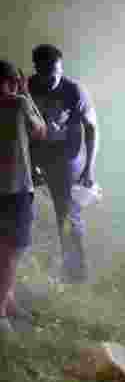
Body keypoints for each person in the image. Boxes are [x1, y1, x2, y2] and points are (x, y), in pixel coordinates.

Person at [28, 44, 98, 284]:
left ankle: (75, 275)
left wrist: (89, 168)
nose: (54, 79)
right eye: (48, 75)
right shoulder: (28, 87)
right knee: (20, 207)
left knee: (67, 214)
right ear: (38, 70)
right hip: (36, 153)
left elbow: (92, 128)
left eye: (58, 73)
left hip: (66, 156)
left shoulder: (74, 91)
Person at [0, 60, 47, 335]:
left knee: (3, 250)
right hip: (16, 190)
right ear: (13, 82)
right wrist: (27, 93)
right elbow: (41, 131)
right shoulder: (18, 103)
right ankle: (0, 311)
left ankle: (8, 301)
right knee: (11, 251)